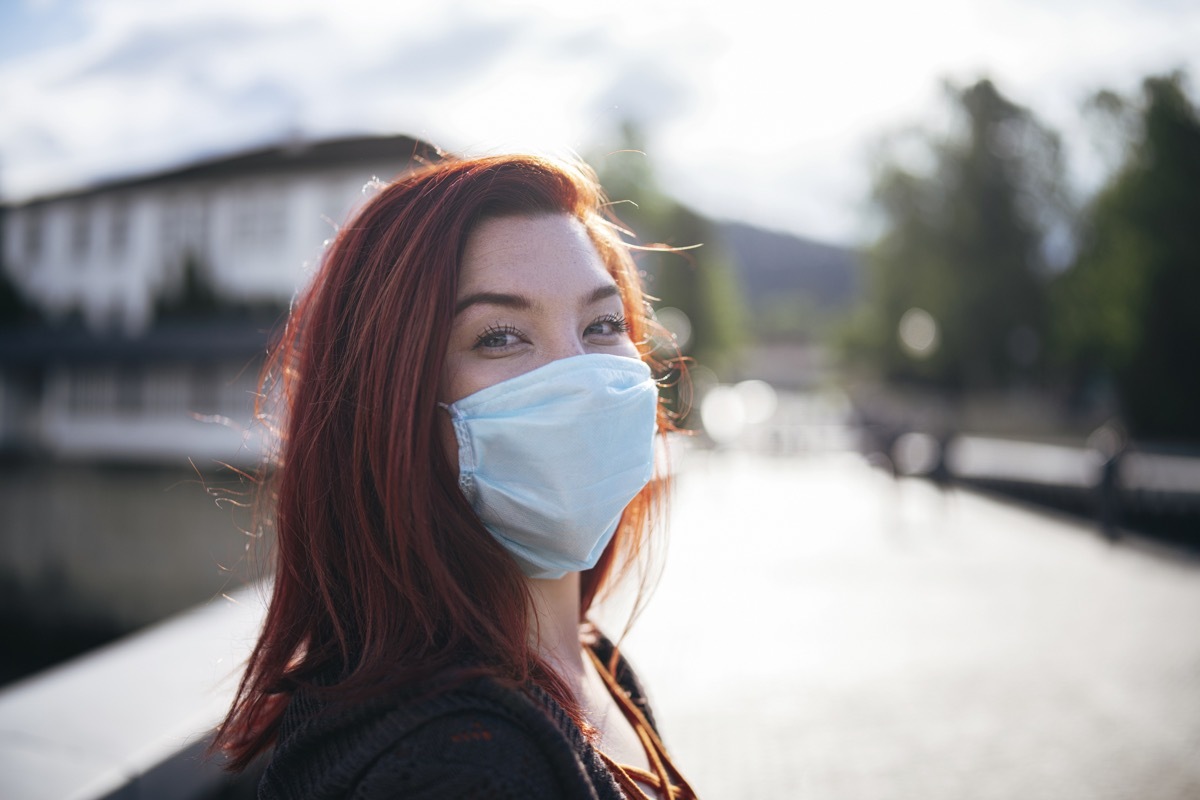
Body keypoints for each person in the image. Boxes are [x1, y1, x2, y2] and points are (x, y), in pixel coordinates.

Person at [211, 152, 698, 799]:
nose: (579, 377)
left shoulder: (595, 661)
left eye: (603, 324)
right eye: (499, 336)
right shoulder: (460, 763)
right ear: (389, 405)